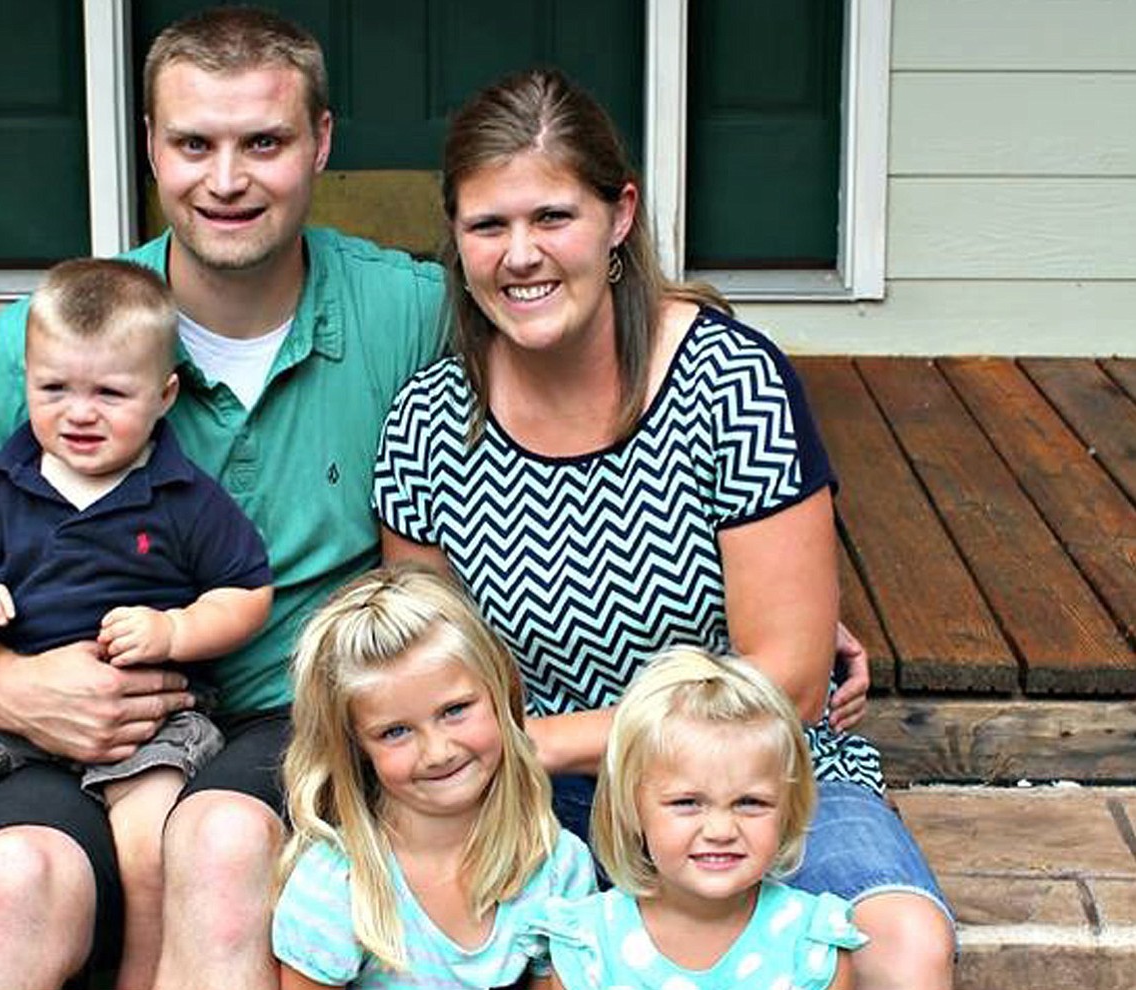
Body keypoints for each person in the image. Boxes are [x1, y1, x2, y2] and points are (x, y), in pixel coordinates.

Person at [0, 8, 445, 989]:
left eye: (263, 141)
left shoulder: (409, 311)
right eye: (192, 144)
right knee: (11, 875)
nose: (225, 180)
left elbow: (561, 294)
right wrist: (10, 691)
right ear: (148, 147)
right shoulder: (49, 337)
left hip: (280, 719)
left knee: (220, 856)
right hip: (68, 707)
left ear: (322, 142)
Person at [372, 69, 953, 990]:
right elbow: (421, 665)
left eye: (552, 217)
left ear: (620, 216)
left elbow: (793, 680)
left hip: (745, 772)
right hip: (525, 793)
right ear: (456, 239)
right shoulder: (429, 422)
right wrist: (513, 761)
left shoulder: (730, 383)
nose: (520, 254)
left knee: (899, 946)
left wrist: (548, 738)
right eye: (489, 226)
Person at [0, 259, 273, 990]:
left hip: (145, 721)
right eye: (54, 389)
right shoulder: (6, 480)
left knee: (152, 836)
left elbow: (246, 593)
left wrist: (173, 633)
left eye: (109, 393)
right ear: (28, 382)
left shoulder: (182, 495)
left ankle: (143, 969)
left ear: (164, 395)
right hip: (16, 696)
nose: (79, 413)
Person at [273, 565, 596, 989]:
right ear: (357, 748)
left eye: (455, 710)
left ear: (501, 694)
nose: (438, 752)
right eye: (395, 732)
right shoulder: (334, 888)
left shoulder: (555, 864)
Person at [529, 647, 866, 990]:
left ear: (788, 811)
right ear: (631, 810)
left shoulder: (810, 944)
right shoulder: (590, 944)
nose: (720, 830)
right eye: (687, 802)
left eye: (750, 802)